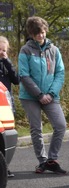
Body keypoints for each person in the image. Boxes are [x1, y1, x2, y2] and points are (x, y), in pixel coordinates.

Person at [18, 16, 68, 174]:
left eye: (43, 31)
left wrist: (51, 93)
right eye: (37, 33)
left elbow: (60, 73)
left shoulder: (54, 49)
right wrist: (39, 95)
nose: (41, 35)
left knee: (60, 126)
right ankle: (42, 160)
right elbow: (24, 75)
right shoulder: (25, 50)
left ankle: (52, 160)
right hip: (30, 96)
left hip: (51, 95)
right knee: (36, 128)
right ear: (32, 34)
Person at [0, 36, 20, 178]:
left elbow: (16, 79)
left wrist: (6, 61)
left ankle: (5, 167)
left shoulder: (6, 63)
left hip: (6, 103)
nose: (1, 52)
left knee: (7, 135)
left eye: (4, 50)